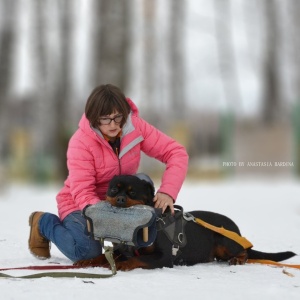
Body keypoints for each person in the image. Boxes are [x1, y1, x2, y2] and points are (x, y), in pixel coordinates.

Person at [28, 84, 189, 262]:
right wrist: (108, 220)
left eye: (118, 117)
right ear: (94, 118)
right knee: (87, 252)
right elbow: (82, 191)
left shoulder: (135, 127)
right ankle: (44, 222)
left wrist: (167, 192)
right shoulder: (80, 142)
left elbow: (176, 153)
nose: (113, 125)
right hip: (80, 204)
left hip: (119, 199)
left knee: (143, 181)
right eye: (105, 119)